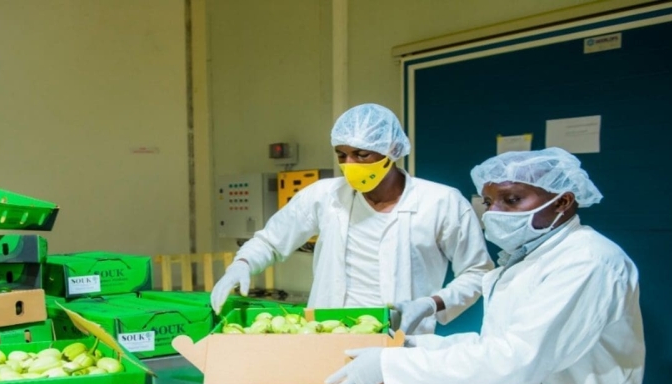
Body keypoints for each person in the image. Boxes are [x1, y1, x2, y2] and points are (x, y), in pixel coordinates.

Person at [325, 147, 645, 384]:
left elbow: (516, 360)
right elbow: (493, 344)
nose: (495, 213)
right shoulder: (527, 259)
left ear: (562, 202)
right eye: (489, 202)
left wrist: (394, 366)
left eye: (512, 199)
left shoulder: (587, 261)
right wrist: (412, 348)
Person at [210, 104, 493, 335]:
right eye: (342, 155)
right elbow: (271, 241)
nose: (350, 165)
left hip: (402, 341)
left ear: (392, 150)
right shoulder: (324, 195)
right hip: (325, 333)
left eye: (362, 154)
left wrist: (430, 304)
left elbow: (477, 272)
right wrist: (242, 264)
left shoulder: (441, 202)